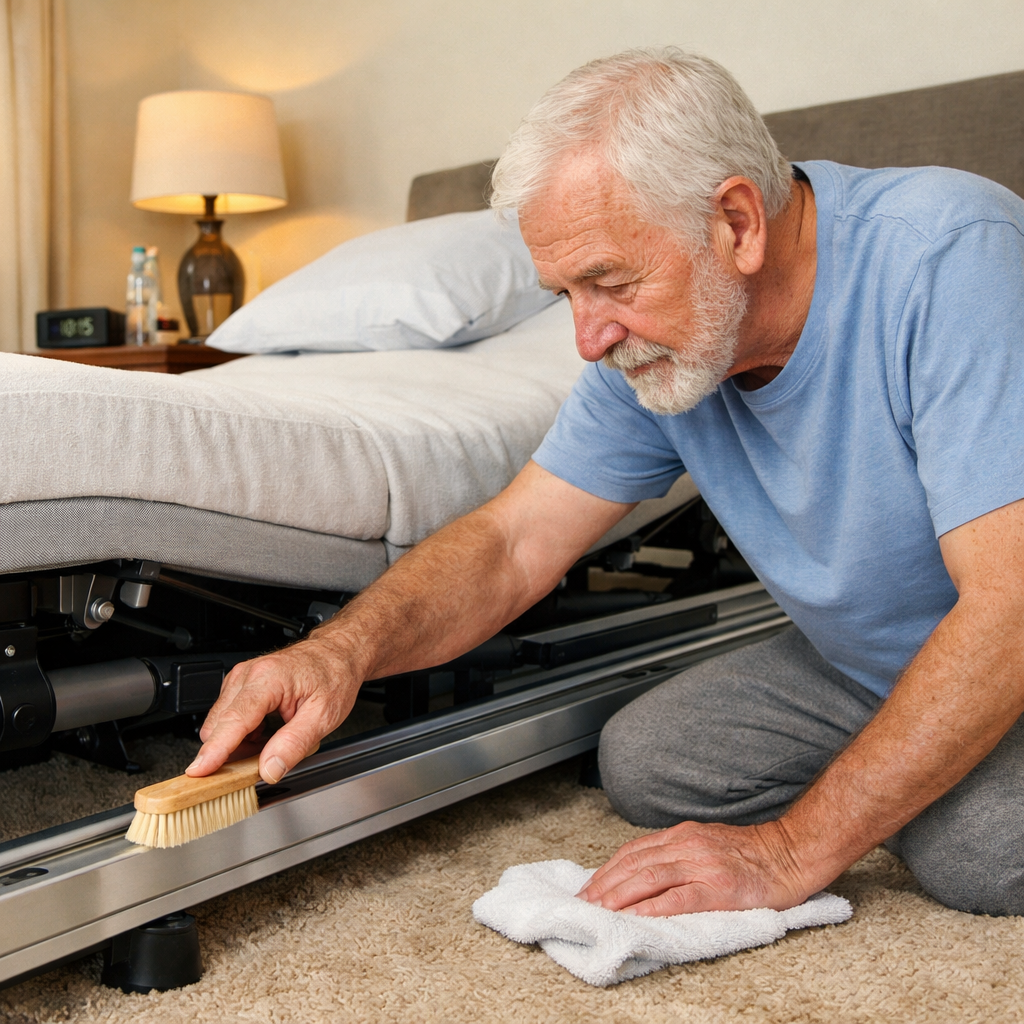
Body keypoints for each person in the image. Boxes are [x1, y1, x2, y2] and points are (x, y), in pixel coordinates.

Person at [187, 48, 1024, 918]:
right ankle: (919, 761)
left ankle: (933, 781)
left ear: (738, 223)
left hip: (1006, 636)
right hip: (869, 666)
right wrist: (339, 653)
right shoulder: (660, 345)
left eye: (609, 282)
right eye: (565, 294)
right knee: (652, 762)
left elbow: (1008, 606)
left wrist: (788, 850)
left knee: (978, 849)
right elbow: (515, 542)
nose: (589, 340)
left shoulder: (951, 256)